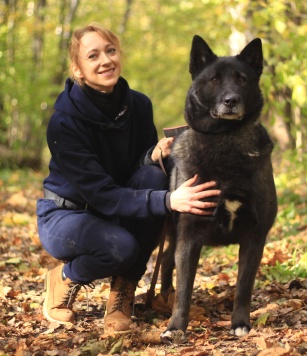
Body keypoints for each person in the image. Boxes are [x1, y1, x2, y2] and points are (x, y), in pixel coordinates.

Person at [36, 22, 220, 334]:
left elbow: (134, 170)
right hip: (68, 215)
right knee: (120, 246)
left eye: (110, 51)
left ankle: (122, 290)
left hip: (114, 206)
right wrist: (169, 201)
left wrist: (153, 154)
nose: (105, 60)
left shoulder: (138, 104)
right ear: (78, 70)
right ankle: (64, 277)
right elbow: (101, 193)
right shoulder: (63, 123)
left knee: (153, 176)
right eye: (93, 56)